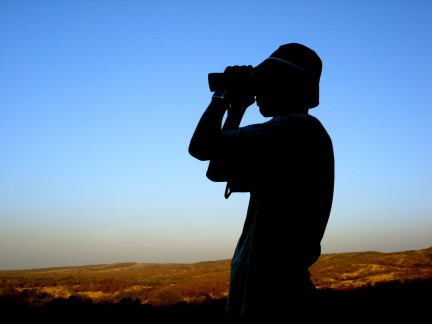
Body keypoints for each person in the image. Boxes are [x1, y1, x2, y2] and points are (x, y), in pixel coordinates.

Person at [188, 43, 334, 321]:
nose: (258, 93)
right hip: (266, 296)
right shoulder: (286, 138)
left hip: (276, 302)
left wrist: (222, 95)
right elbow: (218, 170)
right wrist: (237, 110)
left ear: (287, 85)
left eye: (265, 82)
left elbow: (201, 147)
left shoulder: (294, 129)